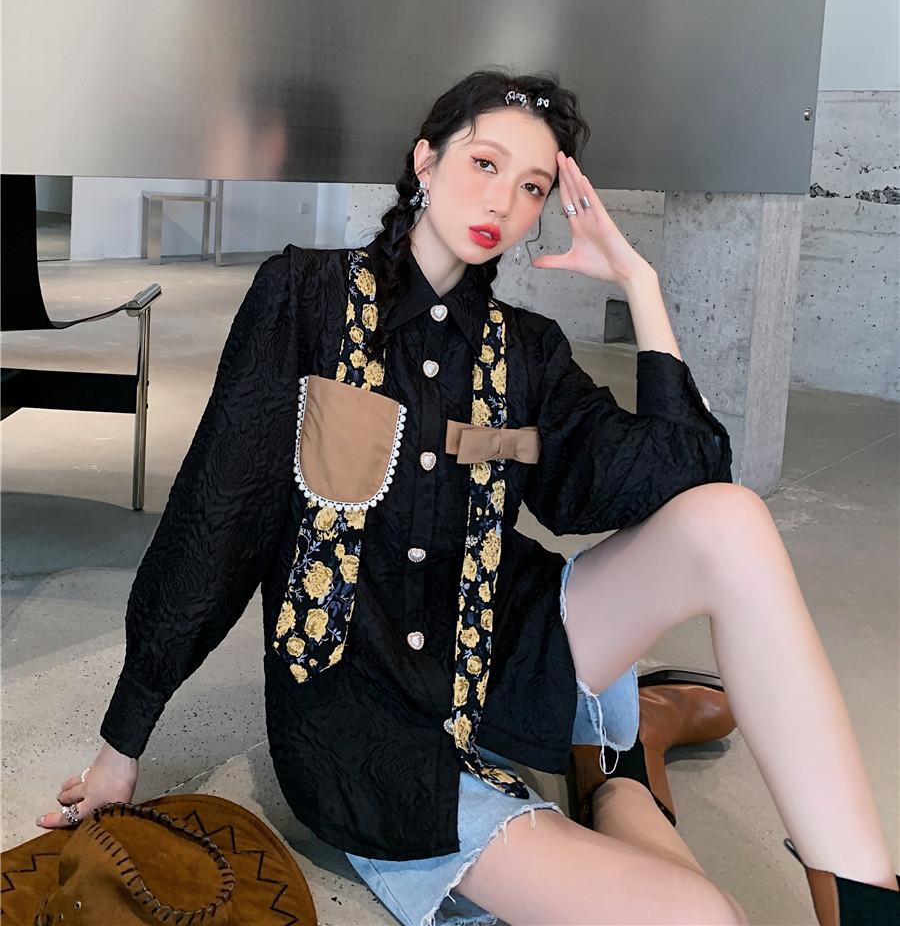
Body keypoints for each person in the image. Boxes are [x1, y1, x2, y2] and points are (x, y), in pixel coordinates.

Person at [40, 71, 898, 926]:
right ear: (426, 160)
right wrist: (124, 742)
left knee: (732, 521)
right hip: (369, 730)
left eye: (532, 187)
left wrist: (639, 282)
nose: (503, 201)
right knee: (701, 917)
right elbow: (218, 518)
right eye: (485, 163)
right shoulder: (307, 296)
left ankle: (865, 900)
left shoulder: (529, 351)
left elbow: (685, 469)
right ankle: (616, 771)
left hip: (505, 650)